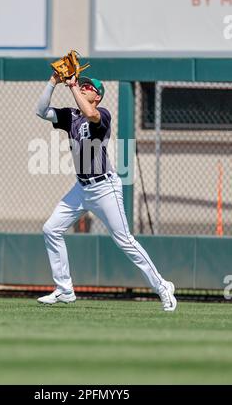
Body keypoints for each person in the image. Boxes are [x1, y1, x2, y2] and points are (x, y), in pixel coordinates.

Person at [35, 72, 177, 312]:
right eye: (83, 84)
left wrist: (71, 88)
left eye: (88, 87)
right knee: (51, 229)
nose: (83, 87)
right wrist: (52, 81)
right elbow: (41, 111)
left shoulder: (102, 114)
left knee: (125, 240)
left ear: (97, 96)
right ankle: (65, 289)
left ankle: (163, 286)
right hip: (81, 188)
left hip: (105, 187)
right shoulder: (71, 116)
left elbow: (90, 115)